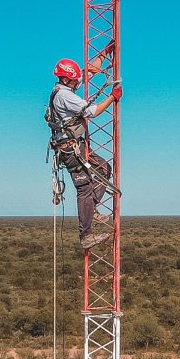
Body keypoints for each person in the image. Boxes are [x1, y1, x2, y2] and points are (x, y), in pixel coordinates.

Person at [48, 45, 122, 250]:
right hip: (70, 149)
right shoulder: (64, 95)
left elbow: (87, 72)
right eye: (73, 80)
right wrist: (113, 97)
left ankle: (92, 209)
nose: (76, 82)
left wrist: (104, 54)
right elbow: (94, 111)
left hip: (76, 146)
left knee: (103, 169)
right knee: (85, 188)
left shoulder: (66, 87)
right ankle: (86, 236)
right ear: (65, 79)